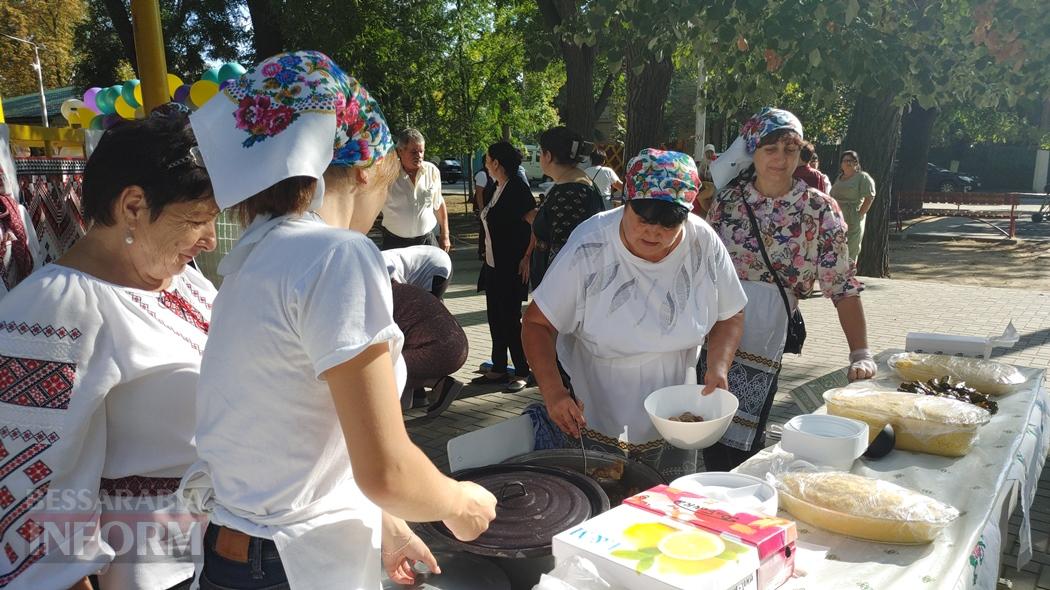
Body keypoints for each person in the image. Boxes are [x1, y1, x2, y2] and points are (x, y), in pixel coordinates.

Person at [182, 51, 495, 589]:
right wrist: (457, 502)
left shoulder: (249, 263)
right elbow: (388, 470)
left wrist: (387, 524)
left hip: (236, 554)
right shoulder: (337, 257)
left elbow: (300, 434)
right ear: (364, 167)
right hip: (290, 564)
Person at [0, 109, 218, 590]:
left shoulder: (185, 286)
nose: (209, 239)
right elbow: (30, 497)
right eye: (198, 220)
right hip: (147, 571)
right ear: (134, 206)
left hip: (210, 554)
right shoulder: (54, 311)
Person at [521, 149, 747, 479]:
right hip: (600, 398)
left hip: (676, 403)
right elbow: (537, 324)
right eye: (643, 219)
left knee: (666, 500)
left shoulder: (703, 243)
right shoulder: (591, 245)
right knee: (606, 494)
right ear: (625, 202)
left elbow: (731, 313)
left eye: (669, 225)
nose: (653, 233)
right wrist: (554, 393)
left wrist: (718, 366)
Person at [706, 107, 876, 471]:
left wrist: (860, 352)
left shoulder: (818, 209)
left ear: (801, 153)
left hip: (767, 336)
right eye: (770, 149)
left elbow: (842, 286)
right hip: (713, 330)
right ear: (753, 151)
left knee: (744, 439)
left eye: (789, 149)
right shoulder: (729, 202)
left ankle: (739, 503)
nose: (780, 159)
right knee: (705, 425)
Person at [472, 141, 536, 393]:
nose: (485, 163)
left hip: (511, 265)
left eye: (487, 159)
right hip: (492, 263)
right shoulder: (495, 187)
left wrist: (527, 257)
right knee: (495, 318)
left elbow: (535, 224)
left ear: (496, 162)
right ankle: (498, 367)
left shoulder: (517, 188)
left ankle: (522, 370)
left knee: (511, 319)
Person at [525, 127, 606, 289]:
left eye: (541, 153)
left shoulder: (571, 191)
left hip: (562, 292)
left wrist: (549, 302)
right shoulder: (573, 183)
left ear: (548, 156)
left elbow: (562, 252)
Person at [380, 129, 451, 252]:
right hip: (395, 243)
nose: (419, 156)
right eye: (414, 152)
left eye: (421, 151)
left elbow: (438, 204)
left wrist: (445, 235)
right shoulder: (386, 174)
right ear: (400, 151)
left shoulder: (432, 171)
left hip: (426, 241)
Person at [830, 150, 876, 261]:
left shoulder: (862, 177)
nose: (848, 163)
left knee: (851, 250)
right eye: (845, 160)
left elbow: (870, 197)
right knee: (836, 249)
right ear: (841, 164)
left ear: (857, 163)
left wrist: (859, 215)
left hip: (852, 217)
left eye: (852, 160)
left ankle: (849, 275)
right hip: (837, 219)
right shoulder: (839, 178)